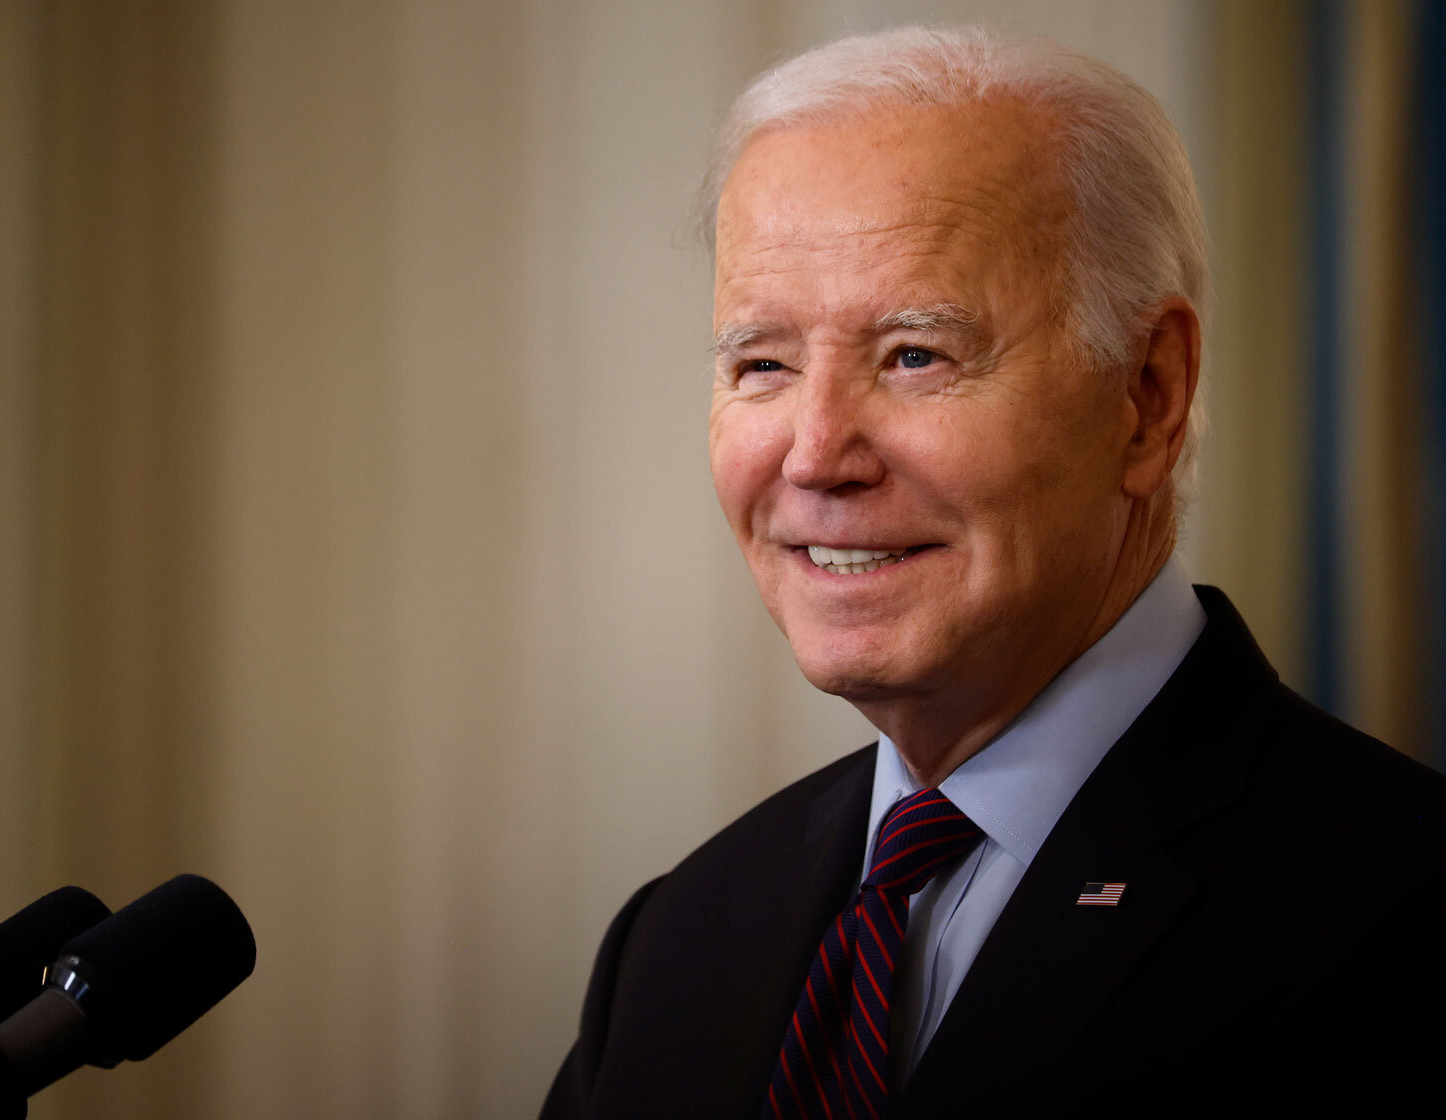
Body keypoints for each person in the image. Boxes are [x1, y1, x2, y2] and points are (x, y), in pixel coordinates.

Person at [540, 26, 1446, 1120]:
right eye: (762, 364)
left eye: (916, 354)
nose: (816, 454)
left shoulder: (1407, 923)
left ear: (1148, 395)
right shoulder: (678, 937)